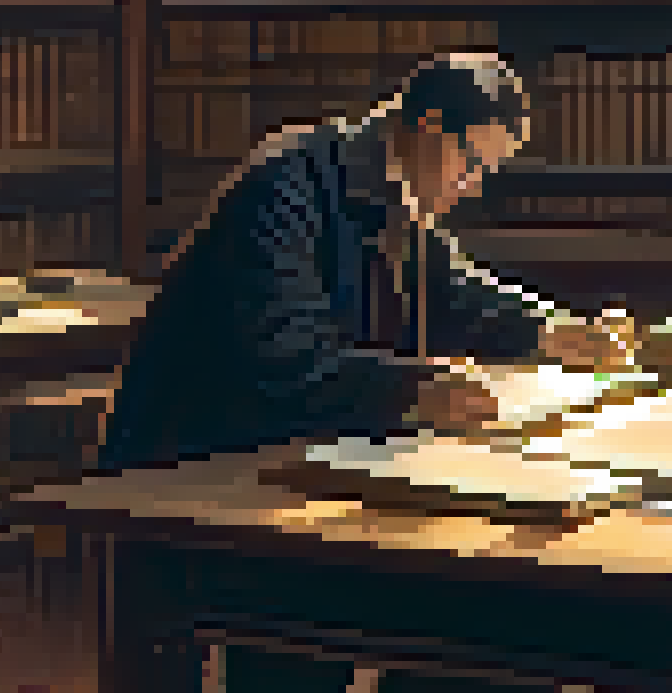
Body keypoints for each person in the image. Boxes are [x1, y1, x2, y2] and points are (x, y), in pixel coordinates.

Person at [97, 51, 613, 693]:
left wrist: (546, 328)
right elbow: (284, 358)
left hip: (298, 460)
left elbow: (452, 291)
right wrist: (417, 390)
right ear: (427, 128)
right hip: (198, 471)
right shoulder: (287, 186)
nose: (475, 184)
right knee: (441, 622)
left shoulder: (394, 190)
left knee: (479, 613)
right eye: (472, 163)